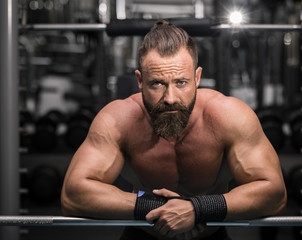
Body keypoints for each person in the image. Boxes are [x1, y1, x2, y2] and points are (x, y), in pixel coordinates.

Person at [61, 19, 287, 240]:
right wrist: (153, 207)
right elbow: (73, 196)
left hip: (209, 236)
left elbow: (274, 194)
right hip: (144, 234)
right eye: (157, 84)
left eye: (181, 83)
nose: (170, 98)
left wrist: (198, 208)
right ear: (140, 80)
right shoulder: (119, 119)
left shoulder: (228, 116)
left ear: (197, 78)